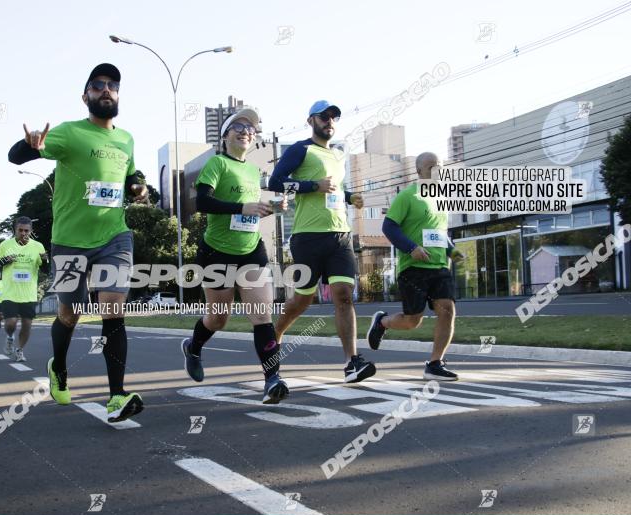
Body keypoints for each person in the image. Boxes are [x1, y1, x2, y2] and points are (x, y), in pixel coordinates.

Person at [8, 63, 150, 423]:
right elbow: (16, 156)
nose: (106, 90)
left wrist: (139, 187)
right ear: (85, 95)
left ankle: (117, 395)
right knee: (70, 313)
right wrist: (31, 147)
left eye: (113, 86)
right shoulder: (70, 133)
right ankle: (59, 367)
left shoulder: (126, 139)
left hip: (114, 237)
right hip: (70, 242)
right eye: (98, 85)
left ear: (118, 96)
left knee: (113, 305)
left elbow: (131, 174)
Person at [179, 108, 290, 404]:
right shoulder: (217, 163)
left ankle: (272, 380)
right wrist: (242, 209)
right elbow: (202, 201)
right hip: (216, 251)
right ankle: (193, 347)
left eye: (251, 128)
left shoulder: (254, 171)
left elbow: (250, 211)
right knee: (218, 318)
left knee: (262, 315)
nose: (246, 131)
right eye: (238, 126)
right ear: (225, 135)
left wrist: (272, 208)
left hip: (251, 249)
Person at [268, 100, 375, 384]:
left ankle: (352, 362)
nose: (330, 121)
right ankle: (274, 338)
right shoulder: (300, 150)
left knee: (343, 295)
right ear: (311, 120)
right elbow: (276, 182)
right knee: (301, 302)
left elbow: (335, 187)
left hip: (340, 235)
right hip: (307, 237)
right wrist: (312, 186)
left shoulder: (338, 155)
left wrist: (351, 197)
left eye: (334, 117)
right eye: (324, 116)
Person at [367, 151, 464, 381]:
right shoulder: (408, 196)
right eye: (431, 167)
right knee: (413, 321)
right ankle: (382, 322)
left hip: (439, 266)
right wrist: (411, 248)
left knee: (448, 311)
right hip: (413, 268)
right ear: (419, 171)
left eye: (439, 166)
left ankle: (434, 364)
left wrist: (451, 250)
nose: (436, 171)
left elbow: (438, 233)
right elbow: (389, 227)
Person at [0, 217, 47, 363]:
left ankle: (20, 350)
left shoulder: (38, 246)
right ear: (15, 230)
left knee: (27, 325)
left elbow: (45, 267)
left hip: (29, 294)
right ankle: (10, 337)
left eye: (26, 231)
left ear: (31, 231)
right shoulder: (5, 245)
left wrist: (46, 259)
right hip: (10, 293)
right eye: (20, 230)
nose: (23, 233)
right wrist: (5, 260)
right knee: (10, 323)